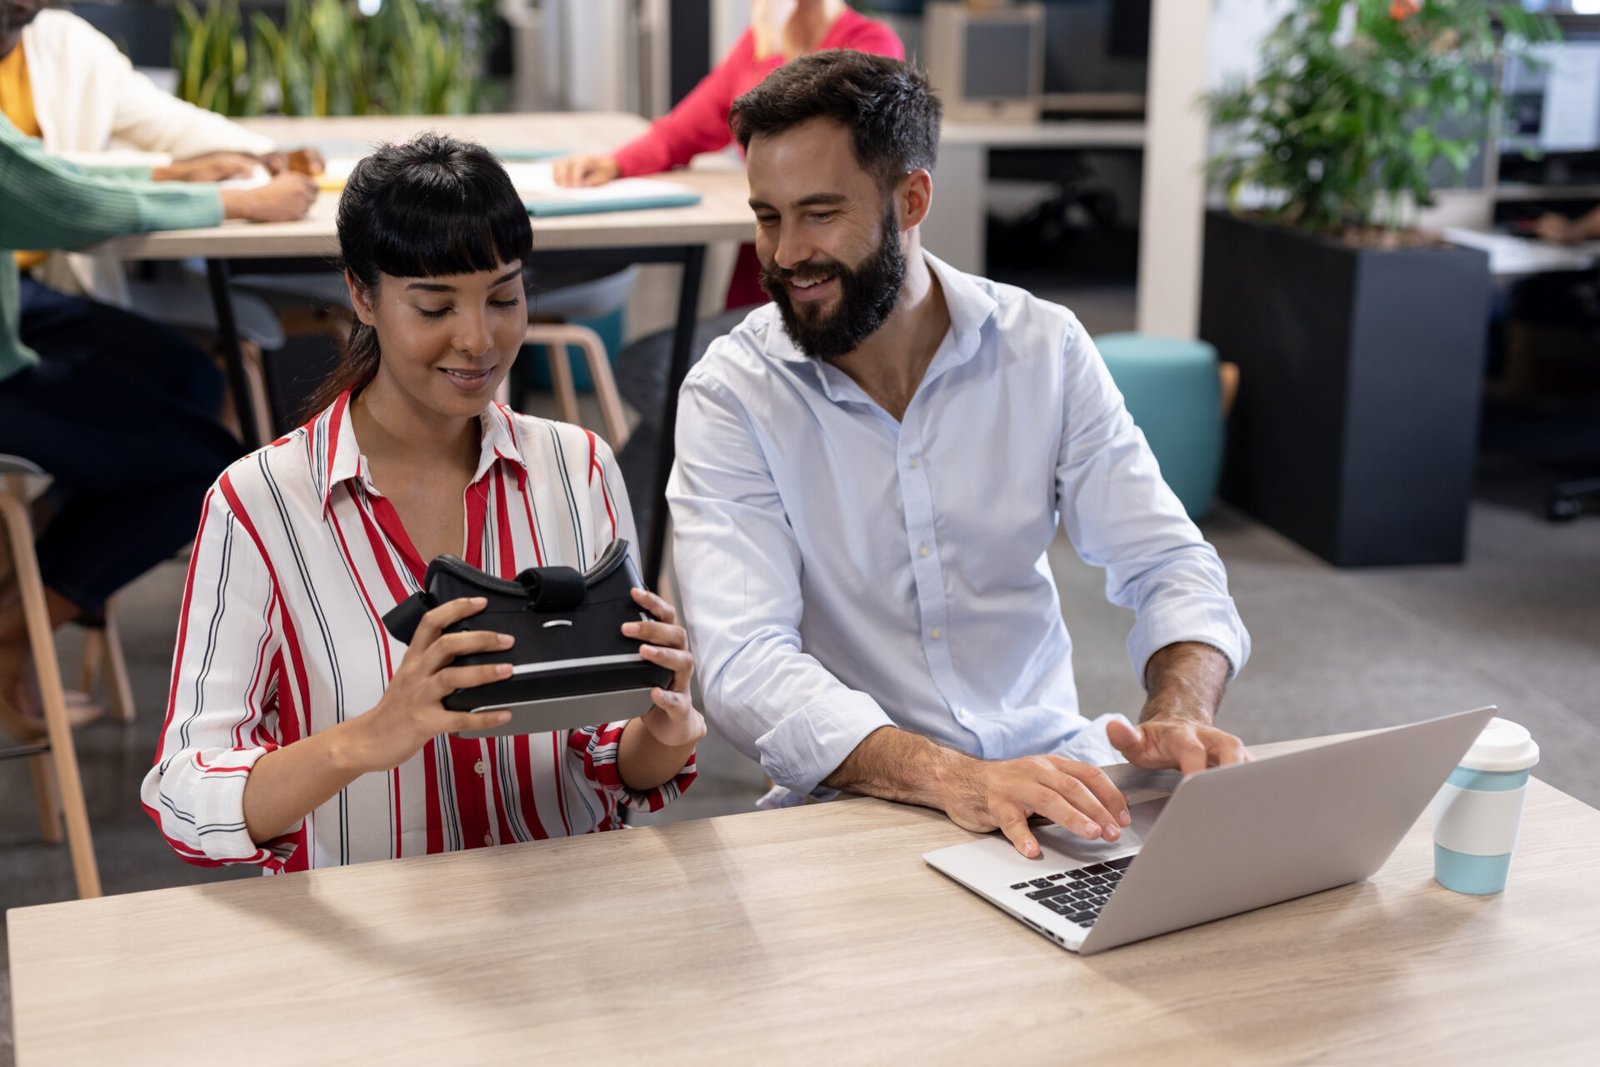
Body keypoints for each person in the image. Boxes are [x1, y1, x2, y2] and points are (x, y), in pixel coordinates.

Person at [667, 53, 1253, 860]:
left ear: (912, 200)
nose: (786, 253)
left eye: (820, 213)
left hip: (1056, 780)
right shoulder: (731, 395)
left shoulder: (1042, 347)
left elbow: (1168, 559)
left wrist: (1181, 708)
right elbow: (742, 662)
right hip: (861, 801)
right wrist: (958, 779)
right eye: (768, 218)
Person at [142, 134, 704, 872]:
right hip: (376, 946)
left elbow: (605, 755)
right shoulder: (260, 505)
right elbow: (185, 792)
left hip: (575, 925)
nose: (478, 339)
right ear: (361, 295)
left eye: (504, 297)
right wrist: (361, 740)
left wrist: (662, 733)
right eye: (435, 306)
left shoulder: (579, 469)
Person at [0, 105, 317, 741]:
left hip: (14, 308)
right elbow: (65, 207)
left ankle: (26, 570)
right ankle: (11, 630)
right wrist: (239, 204)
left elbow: (33, 174)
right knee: (204, 470)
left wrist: (173, 174)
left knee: (184, 376)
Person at [552, 0, 901, 309]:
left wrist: (777, 48)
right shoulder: (757, 42)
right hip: (764, 264)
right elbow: (685, 128)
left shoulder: (871, 45)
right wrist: (616, 163)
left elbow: (799, 145)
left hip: (829, 271)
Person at [0, 0, 324, 303]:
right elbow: (59, 192)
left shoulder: (63, 39)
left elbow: (160, 118)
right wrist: (244, 203)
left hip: (39, 283)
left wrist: (266, 155)